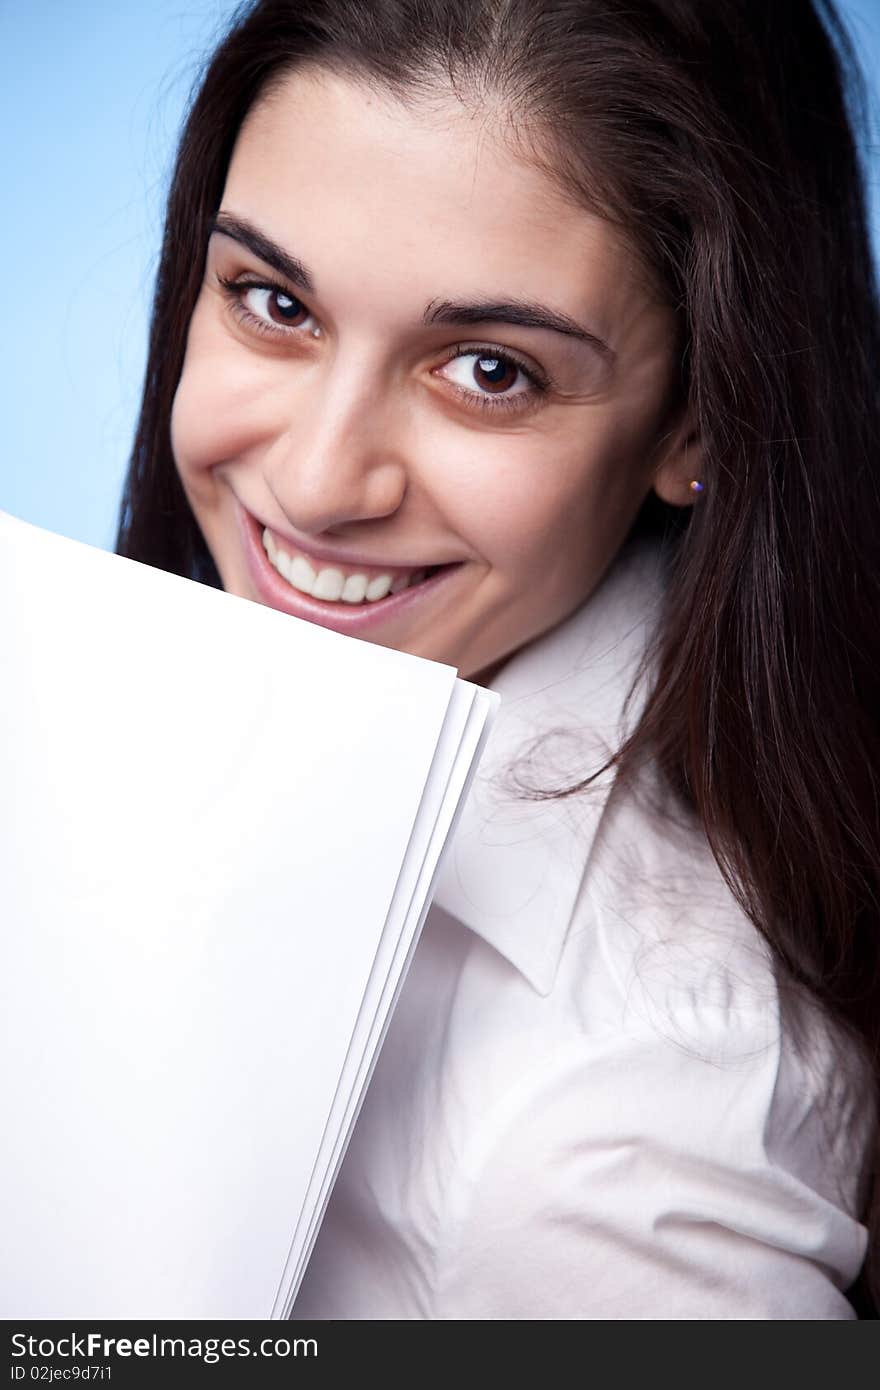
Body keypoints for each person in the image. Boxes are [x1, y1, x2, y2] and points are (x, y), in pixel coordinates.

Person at [116, 0, 880, 1318]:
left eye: (487, 368)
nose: (313, 479)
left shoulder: (607, 1154)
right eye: (272, 300)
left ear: (697, 419)